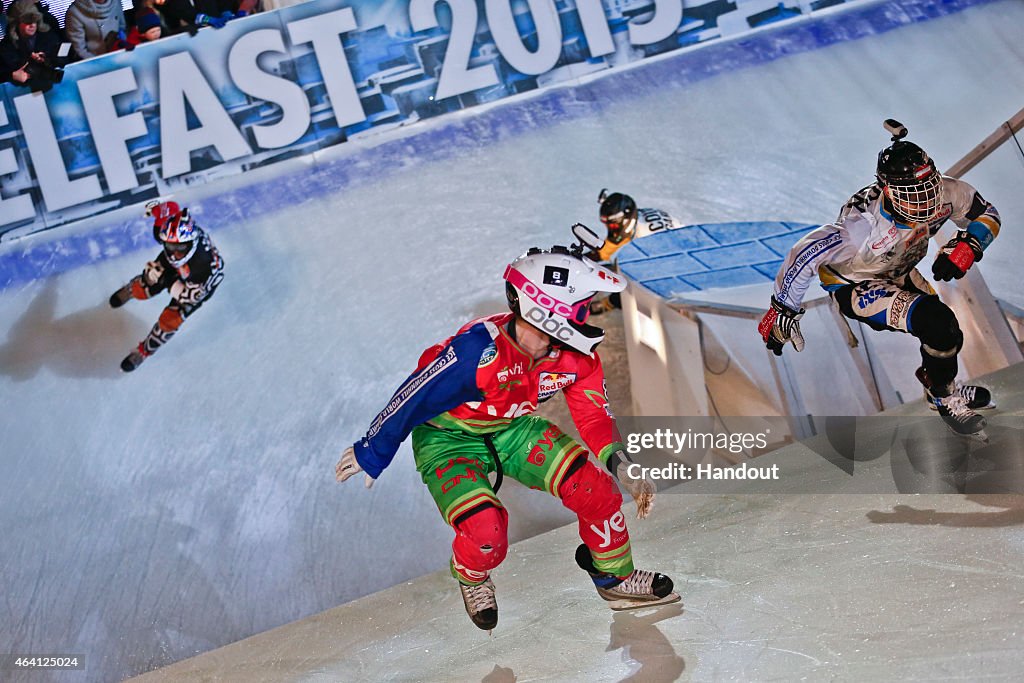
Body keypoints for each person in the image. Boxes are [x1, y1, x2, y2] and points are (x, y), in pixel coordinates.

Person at [335, 227, 679, 631]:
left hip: (511, 429)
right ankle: (472, 574)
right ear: (549, 310)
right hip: (448, 441)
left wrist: (622, 465)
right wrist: (372, 450)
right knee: (487, 532)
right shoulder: (476, 352)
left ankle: (614, 579)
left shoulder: (577, 359)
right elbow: (416, 395)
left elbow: (593, 417)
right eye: (581, 307)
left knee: (598, 491)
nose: (589, 314)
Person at [758, 120, 999, 440]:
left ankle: (939, 384)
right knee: (939, 324)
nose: (927, 202)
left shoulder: (947, 191)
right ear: (888, 190)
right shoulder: (860, 225)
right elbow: (805, 254)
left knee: (948, 334)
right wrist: (783, 310)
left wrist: (970, 243)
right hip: (855, 284)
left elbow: (988, 213)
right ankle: (944, 396)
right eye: (914, 194)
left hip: (900, 270)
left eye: (931, 187)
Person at [109, 200, 224, 372]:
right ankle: (134, 289)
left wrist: (166, 281)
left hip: (196, 285)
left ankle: (144, 350)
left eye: (180, 248)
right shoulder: (165, 233)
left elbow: (188, 297)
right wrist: (156, 210)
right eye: (169, 246)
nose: (174, 253)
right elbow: (170, 208)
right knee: (147, 284)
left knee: (171, 319)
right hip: (185, 269)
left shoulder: (205, 267)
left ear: (191, 244)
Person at [586, 189, 686, 315]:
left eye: (613, 226)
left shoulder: (647, 237)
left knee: (632, 283)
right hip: (679, 251)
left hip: (678, 265)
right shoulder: (637, 218)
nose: (612, 231)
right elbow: (607, 249)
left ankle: (609, 304)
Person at [0, 1, 62, 89]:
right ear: (16, 23)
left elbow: (64, 59)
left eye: (35, 19)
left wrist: (47, 60)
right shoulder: (6, 47)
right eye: (27, 20)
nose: (32, 25)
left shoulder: (50, 38)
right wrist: (12, 75)